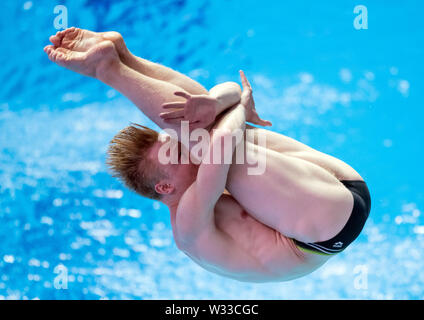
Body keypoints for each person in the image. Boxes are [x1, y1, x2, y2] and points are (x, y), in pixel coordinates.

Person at [44, 27, 371, 282]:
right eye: (175, 152)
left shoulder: (195, 171)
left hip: (337, 182)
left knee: (202, 116)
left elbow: (222, 97)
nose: (184, 148)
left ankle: (124, 58)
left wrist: (217, 103)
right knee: (207, 135)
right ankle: (108, 69)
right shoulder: (188, 222)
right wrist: (239, 106)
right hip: (327, 227)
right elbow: (218, 143)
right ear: (165, 187)